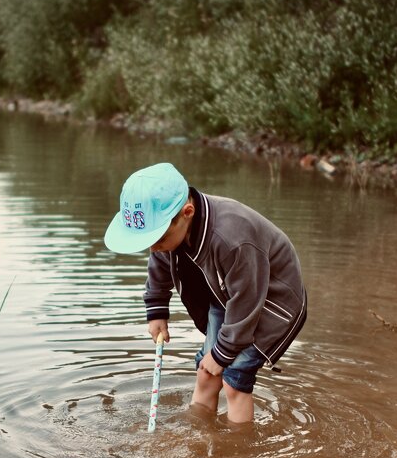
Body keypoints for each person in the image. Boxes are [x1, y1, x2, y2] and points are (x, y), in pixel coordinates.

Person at [104, 162, 306, 424]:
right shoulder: (169, 235)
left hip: (270, 302)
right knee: (206, 372)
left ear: (187, 212)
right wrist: (156, 310)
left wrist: (222, 353)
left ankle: (237, 455)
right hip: (227, 294)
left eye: (158, 240)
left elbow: (247, 301)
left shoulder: (232, 237)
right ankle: (199, 434)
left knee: (234, 379)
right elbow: (160, 260)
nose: (153, 249)